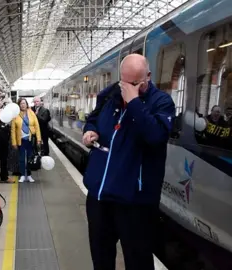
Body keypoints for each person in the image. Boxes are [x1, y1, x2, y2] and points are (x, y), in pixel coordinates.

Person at [82, 54, 175, 270]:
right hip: (100, 195)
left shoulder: (161, 102)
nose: (126, 88)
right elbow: (93, 118)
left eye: (134, 83)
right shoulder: (109, 95)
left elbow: (155, 136)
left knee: (138, 259)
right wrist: (90, 131)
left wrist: (134, 102)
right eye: (124, 82)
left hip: (135, 200)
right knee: (101, 255)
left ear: (148, 77)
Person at [11, 98, 41, 183]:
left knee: (30, 158)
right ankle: (23, 175)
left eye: (24, 103)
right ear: (19, 105)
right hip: (21, 140)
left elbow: (37, 126)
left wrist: (39, 139)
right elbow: (13, 130)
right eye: (21, 103)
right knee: (21, 158)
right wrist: (14, 142)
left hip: (30, 139)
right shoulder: (15, 114)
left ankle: (29, 175)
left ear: (27, 104)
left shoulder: (32, 113)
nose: (23, 105)